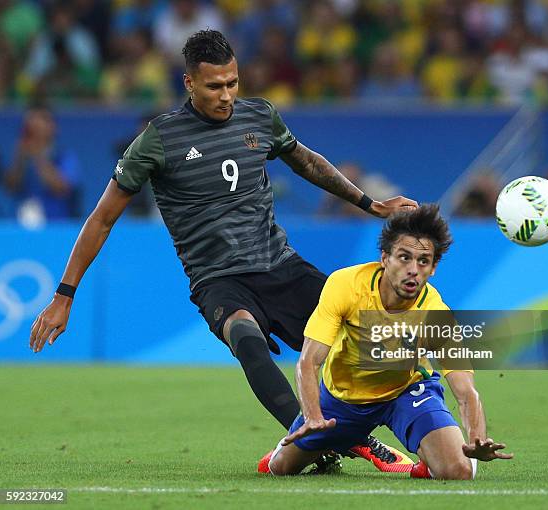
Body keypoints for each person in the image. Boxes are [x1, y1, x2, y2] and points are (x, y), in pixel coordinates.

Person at [29, 30, 417, 471]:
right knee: (246, 338)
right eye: (215, 86)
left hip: (280, 264)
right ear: (189, 83)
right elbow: (101, 218)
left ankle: (413, 427)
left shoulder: (260, 117)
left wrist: (370, 203)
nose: (227, 95)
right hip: (218, 280)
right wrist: (64, 294)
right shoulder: (159, 139)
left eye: (233, 83)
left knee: (366, 339)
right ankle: (312, 437)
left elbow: (308, 162)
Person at [262, 205, 513, 478]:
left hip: (406, 392)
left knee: (459, 471)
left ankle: (426, 462)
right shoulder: (345, 285)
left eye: (423, 261)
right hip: (343, 400)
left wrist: (477, 438)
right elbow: (309, 362)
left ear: (433, 268)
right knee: (280, 468)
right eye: (404, 258)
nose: (413, 270)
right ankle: (350, 441)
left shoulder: (436, 314)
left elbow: (466, 391)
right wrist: (313, 416)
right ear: (385, 258)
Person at [3, 106, 80, 221]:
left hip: (57, 226)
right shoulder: (20, 155)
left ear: (52, 127)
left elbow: (62, 188)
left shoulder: (65, 156)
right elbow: (10, 188)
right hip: (21, 225)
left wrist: (38, 156)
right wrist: (20, 159)